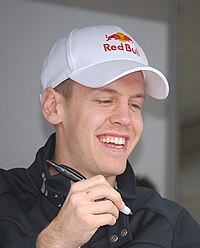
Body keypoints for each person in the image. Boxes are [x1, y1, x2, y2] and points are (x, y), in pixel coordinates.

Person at [0, 25, 199, 248]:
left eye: (135, 104)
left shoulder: (171, 226)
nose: (125, 118)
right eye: (105, 100)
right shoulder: (5, 199)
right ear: (53, 106)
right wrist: (55, 241)